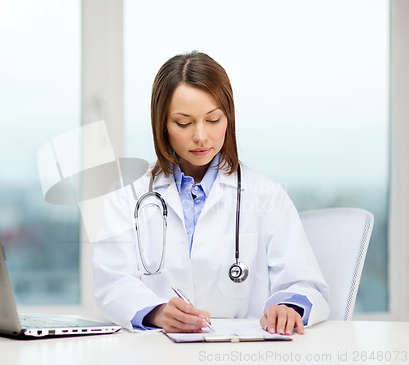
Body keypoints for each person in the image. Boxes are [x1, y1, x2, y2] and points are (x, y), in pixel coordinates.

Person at [93, 51, 329, 335]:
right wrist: (158, 313)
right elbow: (113, 283)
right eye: (183, 123)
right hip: (156, 352)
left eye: (213, 120)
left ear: (228, 118)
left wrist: (287, 308)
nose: (201, 136)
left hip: (240, 351)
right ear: (162, 124)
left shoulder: (267, 195)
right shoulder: (126, 196)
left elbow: (303, 284)